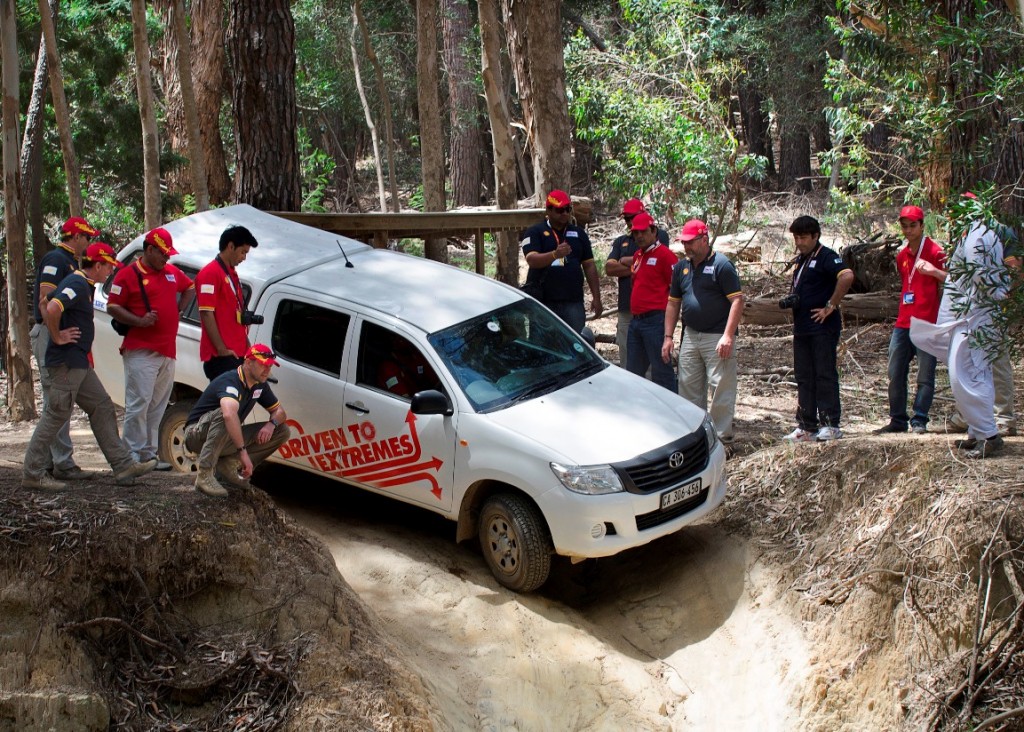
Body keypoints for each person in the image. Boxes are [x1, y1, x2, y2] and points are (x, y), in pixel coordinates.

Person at [22, 243, 159, 490]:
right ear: (97, 265)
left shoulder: (80, 284)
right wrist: (57, 336)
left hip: (79, 363)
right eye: (108, 267)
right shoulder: (76, 284)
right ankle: (32, 472)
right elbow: (51, 308)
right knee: (55, 415)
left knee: (102, 406)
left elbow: (45, 302)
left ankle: (123, 465)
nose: (110, 273)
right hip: (66, 364)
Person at [911, 208, 1011, 459]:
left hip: (974, 317)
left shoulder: (977, 236)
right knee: (974, 373)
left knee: (966, 375)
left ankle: (988, 435)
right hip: (970, 315)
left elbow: (978, 271)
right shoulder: (975, 235)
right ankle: (978, 432)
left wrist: (998, 295)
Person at [107, 227, 196, 469]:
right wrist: (138, 321)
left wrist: (177, 309)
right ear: (149, 250)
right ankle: (132, 455)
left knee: (158, 404)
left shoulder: (170, 272)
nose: (167, 258)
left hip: (167, 350)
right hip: (141, 350)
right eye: (163, 254)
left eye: (169, 255)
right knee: (139, 403)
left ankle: (148, 453)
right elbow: (112, 306)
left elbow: (189, 287)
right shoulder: (127, 275)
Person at [661, 219, 744, 443]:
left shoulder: (722, 265)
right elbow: (673, 303)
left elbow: (737, 301)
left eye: (690, 242)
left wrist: (728, 335)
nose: (685, 247)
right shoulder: (681, 268)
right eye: (683, 242)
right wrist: (668, 337)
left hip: (717, 336)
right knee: (688, 386)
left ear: (704, 239)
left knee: (720, 387)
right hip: (690, 335)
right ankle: (695, 436)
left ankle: (721, 438)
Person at [941, 198, 1019, 436]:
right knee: (969, 361)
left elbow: (1013, 266)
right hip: (969, 309)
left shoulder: (1000, 231)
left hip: (993, 307)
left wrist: (1004, 295)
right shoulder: (965, 233)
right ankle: (969, 415)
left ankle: (1003, 417)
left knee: (996, 360)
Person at [30, 216, 100, 481]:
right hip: (49, 333)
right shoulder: (56, 260)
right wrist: (56, 334)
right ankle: (60, 462)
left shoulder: (69, 263)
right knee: (57, 401)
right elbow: (44, 300)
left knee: (59, 401)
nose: (88, 244)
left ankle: (51, 461)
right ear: (76, 236)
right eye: (87, 238)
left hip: (56, 335)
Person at [873, 206, 946, 435]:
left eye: (913, 225)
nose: (908, 230)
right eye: (904, 226)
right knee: (895, 372)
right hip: (903, 322)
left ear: (922, 225)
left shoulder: (936, 251)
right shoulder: (902, 255)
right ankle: (897, 419)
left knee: (925, 374)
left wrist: (934, 271)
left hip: (927, 322)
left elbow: (950, 281)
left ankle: (920, 419)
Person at [781, 216, 855, 442]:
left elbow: (847, 275)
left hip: (822, 327)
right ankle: (806, 425)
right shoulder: (802, 259)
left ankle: (830, 424)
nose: (799, 242)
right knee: (804, 376)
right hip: (802, 328)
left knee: (824, 373)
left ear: (815, 236)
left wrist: (830, 305)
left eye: (803, 237)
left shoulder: (825, 256)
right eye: (796, 237)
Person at [183, 344, 291, 497]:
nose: (267, 370)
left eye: (270, 366)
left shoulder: (260, 384)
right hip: (196, 436)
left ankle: (229, 465)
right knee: (227, 414)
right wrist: (243, 452)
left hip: (223, 437)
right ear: (248, 363)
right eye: (263, 365)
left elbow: (280, 412)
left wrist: (271, 424)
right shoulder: (230, 380)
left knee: (282, 430)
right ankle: (204, 475)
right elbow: (228, 415)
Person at [521, 190, 603, 333]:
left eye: (567, 209)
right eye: (559, 210)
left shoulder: (579, 233)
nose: (564, 213)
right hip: (544, 303)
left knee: (575, 344)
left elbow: (589, 265)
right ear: (548, 210)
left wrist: (596, 297)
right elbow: (532, 260)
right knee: (544, 345)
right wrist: (554, 254)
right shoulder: (535, 232)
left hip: (573, 302)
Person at [605, 198, 669, 366]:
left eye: (632, 217)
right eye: (626, 219)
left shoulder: (658, 234)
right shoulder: (622, 241)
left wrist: (628, 262)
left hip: (653, 312)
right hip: (627, 307)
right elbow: (609, 268)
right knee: (628, 357)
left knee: (653, 360)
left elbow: (658, 263)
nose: (630, 223)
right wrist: (640, 266)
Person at [196, 225, 259, 380]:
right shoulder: (211, 273)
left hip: (237, 353)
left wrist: (248, 349)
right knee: (227, 402)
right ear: (231, 246)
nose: (244, 257)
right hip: (222, 356)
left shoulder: (231, 274)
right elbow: (206, 312)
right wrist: (221, 349)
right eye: (243, 252)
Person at [623, 212, 677, 391]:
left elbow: (676, 291)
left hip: (655, 321)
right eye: (635, 233)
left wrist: (669, 328)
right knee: (633, 372)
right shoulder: (638, 255)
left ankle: (672, 413)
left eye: (643, 232)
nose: (639, 236)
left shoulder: (665, 255)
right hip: (636, 321)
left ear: (654, 231)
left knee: (661, 371)